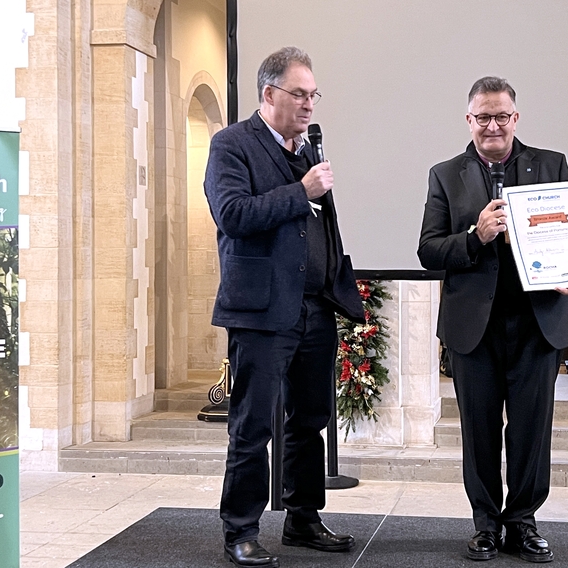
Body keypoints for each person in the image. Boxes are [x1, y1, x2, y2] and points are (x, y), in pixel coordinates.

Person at [204, 47, 365, 568]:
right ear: (269, 93)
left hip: (313, 307)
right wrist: (300, 191)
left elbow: (319, 228)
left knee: (308, 420)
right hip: (262, 311)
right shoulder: (231, 145)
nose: (309, 104)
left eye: (313, 94)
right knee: (252, 425)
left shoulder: (307, 151)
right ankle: (240, 530)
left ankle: (302, 517)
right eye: (299, 94)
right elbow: (232, 215)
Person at [417, 76, 568, 563]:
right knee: (481, 431)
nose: (493, 125)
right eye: (483, 117)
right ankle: (486, 524)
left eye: (502, 116)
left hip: (538, 326)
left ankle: (523, 523)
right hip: (475, 330)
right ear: (469, 120)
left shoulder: (551, 164)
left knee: (532, 431)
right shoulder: (445, 174)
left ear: (516, 118)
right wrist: (475, 236)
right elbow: (428, 250)